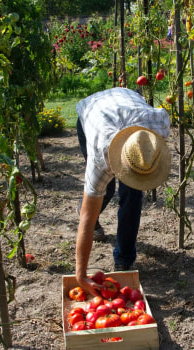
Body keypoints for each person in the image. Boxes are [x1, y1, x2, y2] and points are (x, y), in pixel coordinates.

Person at [75, 87, 171, 296]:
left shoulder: (158, 128)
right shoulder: (101, 157)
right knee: (104, 192)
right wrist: (81, 276)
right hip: (92, 112)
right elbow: (86, 220)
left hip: (126, 100)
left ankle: (124, 260)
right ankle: (89, 207)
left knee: (133, 196)